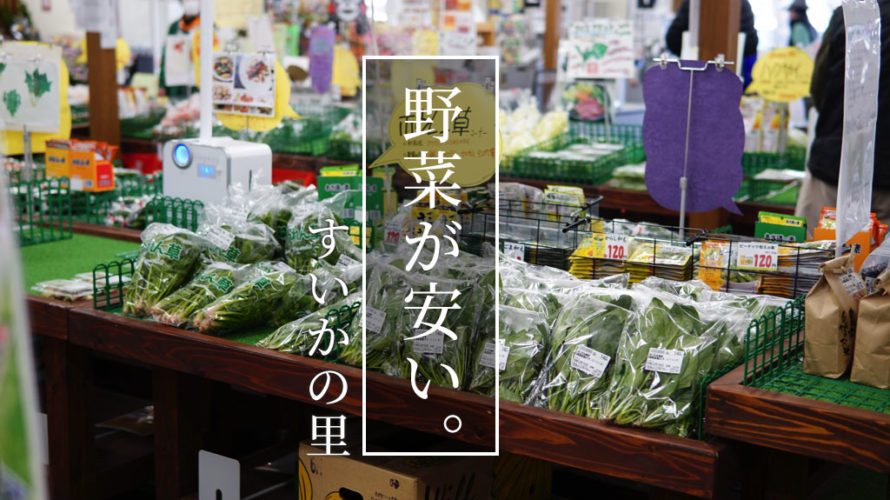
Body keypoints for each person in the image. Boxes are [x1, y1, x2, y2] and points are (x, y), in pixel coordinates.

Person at [795, 1, 890, 233]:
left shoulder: (849, 13)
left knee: (812, 257)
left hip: (836, 163)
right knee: (878, 265)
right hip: (886, 177)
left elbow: (818, 86)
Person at [665, 0, 759, 86]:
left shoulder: (692, 3)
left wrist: (689, 56)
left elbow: (672, 38)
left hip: (695, 71)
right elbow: (751, 44)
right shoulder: (740, 3)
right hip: (736, 71)